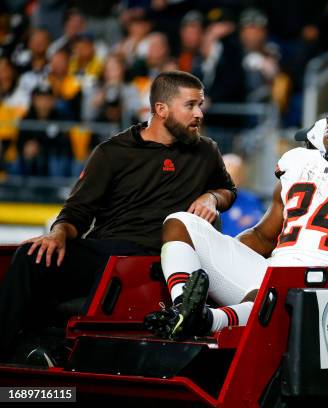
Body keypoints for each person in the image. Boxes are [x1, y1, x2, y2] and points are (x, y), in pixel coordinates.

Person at [0, 70, 237, 362]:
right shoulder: (113, 152)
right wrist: (58, 233)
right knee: (31, 255)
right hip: (110, 251)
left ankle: (45, 348)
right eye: (190, 105)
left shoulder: (206, 150)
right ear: (161, 110)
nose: (199, 113)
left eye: (200, 105)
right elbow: (77, 212)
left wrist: (212, 197)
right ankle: (18, 351)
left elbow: (228, 190)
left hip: (161, 257)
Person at [145, 96, 328, 339]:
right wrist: (222, 253)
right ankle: (183, 309)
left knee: (267, 291)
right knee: (181, 222)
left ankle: (206, 320)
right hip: (274, 269)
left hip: (323, 280)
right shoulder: (298, 164)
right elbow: (263, 236)